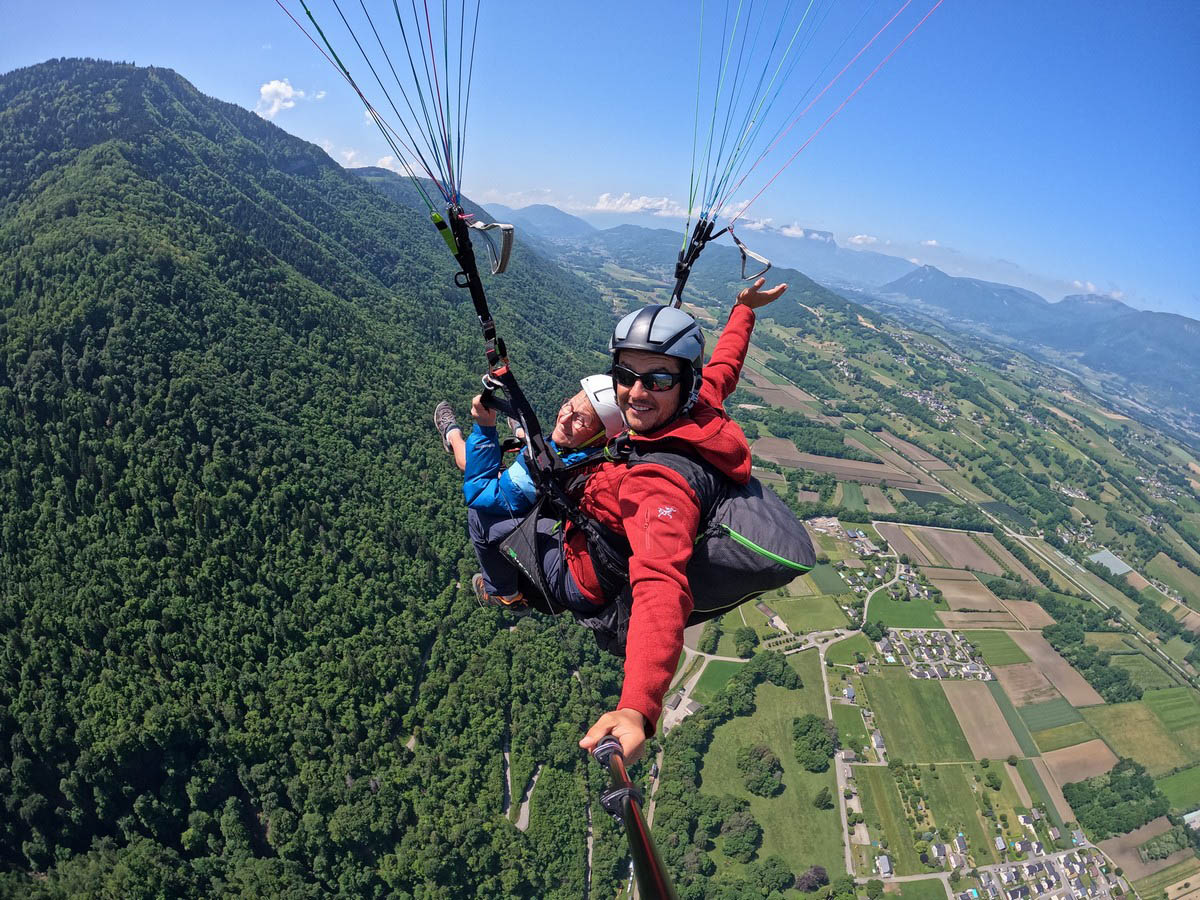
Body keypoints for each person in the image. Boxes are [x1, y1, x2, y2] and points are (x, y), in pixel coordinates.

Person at [564, 277, 787, 762]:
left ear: (682, 384)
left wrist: (638, 707)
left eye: (658, 380)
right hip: (614, 509)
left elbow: (660, 585)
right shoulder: (701, 404)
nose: (636, 393)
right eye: (625, 375)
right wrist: (744, 308)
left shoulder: (659, 483)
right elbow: (725, 366)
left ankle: (508, 590)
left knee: (515, 523)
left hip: (584, 573)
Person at [433, 375, 626, 612]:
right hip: (584, 547)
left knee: (479, 513)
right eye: (569, 405)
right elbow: (553, 456)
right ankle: (516, 433)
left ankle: (505, 594)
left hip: (577, 577)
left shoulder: (561, 467)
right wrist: (525, 435)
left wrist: (484, 428)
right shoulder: (602, 453)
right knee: (511, 464)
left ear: (601, 436)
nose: (565, 417)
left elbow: (481, 493)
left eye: (581, 419)